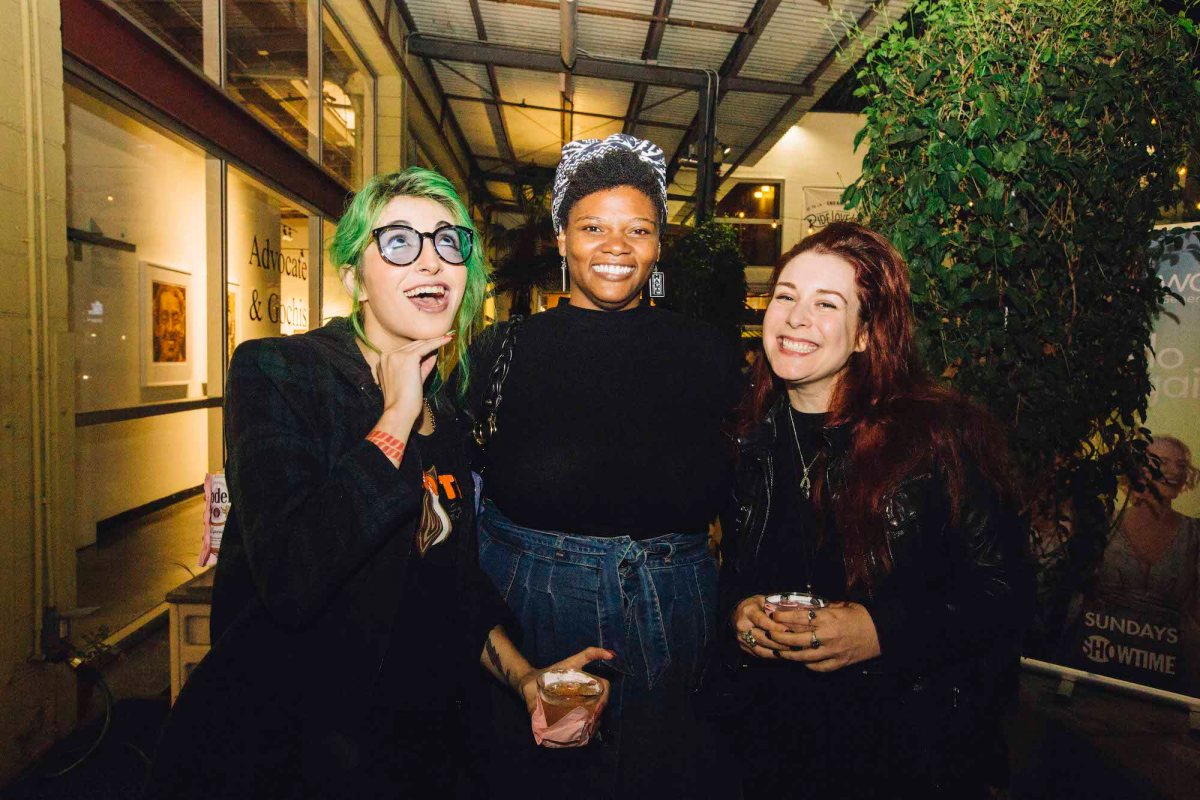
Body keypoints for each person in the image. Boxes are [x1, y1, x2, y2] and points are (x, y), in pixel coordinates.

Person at [144, 168, 610, 800]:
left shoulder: (448, 414)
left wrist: (526, 677)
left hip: (406, 752)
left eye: (449, 242)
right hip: (282, 752)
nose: (432, 260)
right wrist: (394, 418)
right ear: (354, 276)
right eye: (398, 242)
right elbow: (292, 575)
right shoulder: (280, 371)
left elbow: (452, 588)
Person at [467, 134, 742, 799]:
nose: (615, 246)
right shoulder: (503, 349)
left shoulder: (708, 351)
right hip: (544, 607)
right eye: (592, 227)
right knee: (552, 779)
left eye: (637, 230)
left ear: (657, 245)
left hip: (675, 609)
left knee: (665, 775)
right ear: (562, 238)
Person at [720, 222, 1033, 798]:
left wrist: (880, 630)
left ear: (866, 334)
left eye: (827, 303)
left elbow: (1008, 591)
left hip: (905, 746)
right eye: (786, 295)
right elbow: (734, 571)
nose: (794, 318)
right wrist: (739, 613)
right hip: (770, 740)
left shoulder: (942, 436)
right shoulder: (749, 434)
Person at [1096, 434, 1200, 689]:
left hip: (1170, 668)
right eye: (1163, 462)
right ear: (1137, 470)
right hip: (1098, 655)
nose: (1174, 471)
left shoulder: (1194, 534)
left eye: (1181, 465)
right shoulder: (1104, 524)